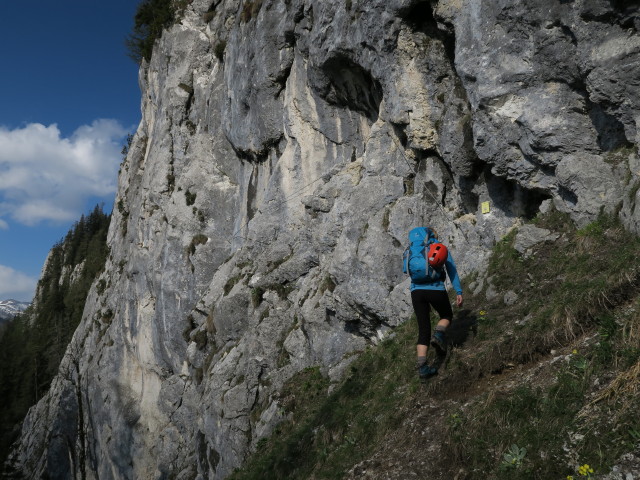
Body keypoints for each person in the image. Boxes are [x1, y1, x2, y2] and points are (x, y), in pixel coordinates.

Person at [405, 227, 463, 379]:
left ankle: (423, 368)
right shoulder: (437, 247)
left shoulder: (410, 249)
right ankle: (438, 334)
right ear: (431, 235)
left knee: (423, 329)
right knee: (446, 314)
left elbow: (405, 270)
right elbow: (451, 269)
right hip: (435, 288)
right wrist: (458, 291)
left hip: (416, 292)